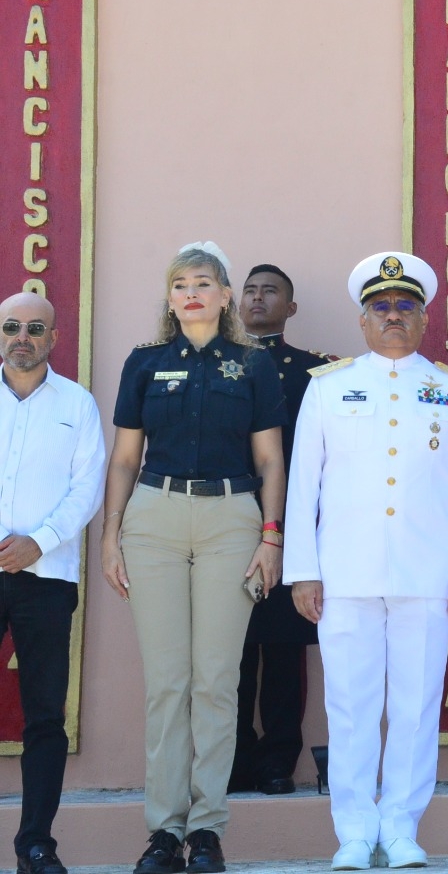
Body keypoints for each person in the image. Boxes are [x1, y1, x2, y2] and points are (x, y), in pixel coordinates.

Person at [284, 251, 448, 871]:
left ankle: (400, 826)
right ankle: (352, 830)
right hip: (343, 571)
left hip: (427, 572)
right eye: (381, 307)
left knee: (416, 705)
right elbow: (303, 486)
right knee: (348, 704)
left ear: (425, 320)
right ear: (363, 321)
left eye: (405, 306)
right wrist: (304, 569)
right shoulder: (326, 388)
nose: (393, 315)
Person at [101, 241, 288, 874]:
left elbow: (269, 459)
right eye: (179, 283)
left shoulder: (251, 365)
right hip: (153, 520)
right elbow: (126, 457)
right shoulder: (145, 362)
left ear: (226, 295)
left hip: (231, 520)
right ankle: (163, 833)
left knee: (214, 680)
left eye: (203, 282)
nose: (191, 292)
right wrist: (110, 536)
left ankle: (206, 830)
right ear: (170, 297)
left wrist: (271, 536)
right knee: (167, 684)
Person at [0, 293, 108, 874]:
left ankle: (36, 844)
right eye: (12, 326)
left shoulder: (78, 404)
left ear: (54, 338)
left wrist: (37, 540)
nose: (23, 336)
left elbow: (87, 487)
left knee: (45, 716)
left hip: (46, 578)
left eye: (34, 328)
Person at [230, 264, 335, 796]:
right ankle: (234, 760)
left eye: (270, 291)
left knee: (284, 647)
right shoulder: (217, 363)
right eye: (250, 290)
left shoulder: (315, 373)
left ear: (290, 308)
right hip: (224, 521)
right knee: (231, 649)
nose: (257, 298)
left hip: (289, 527)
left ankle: (277, 761)